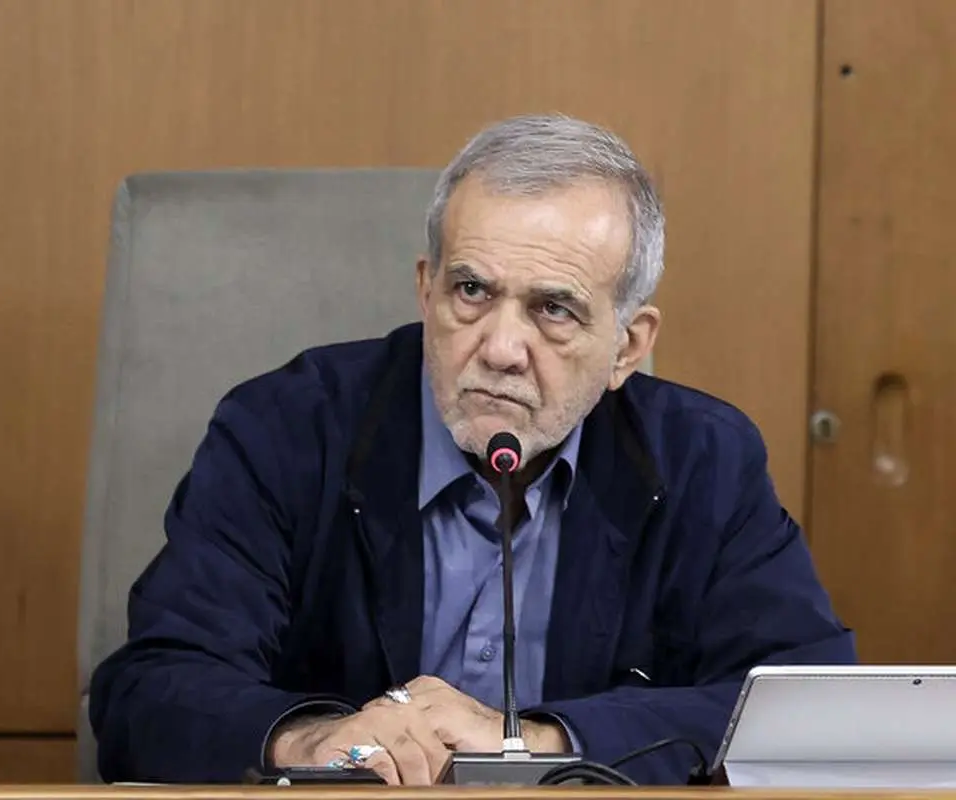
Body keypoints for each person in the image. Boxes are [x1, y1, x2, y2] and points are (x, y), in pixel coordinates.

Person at [88, 113, 856, 786]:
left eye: (553, 309)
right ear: (427, 291)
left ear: (628, 345)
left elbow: (810, 707)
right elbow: (149, 692)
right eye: (472, 292)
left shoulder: (703, 461)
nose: (501, 349)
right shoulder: (286, 429)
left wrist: (540, 743)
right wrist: (310, 741)